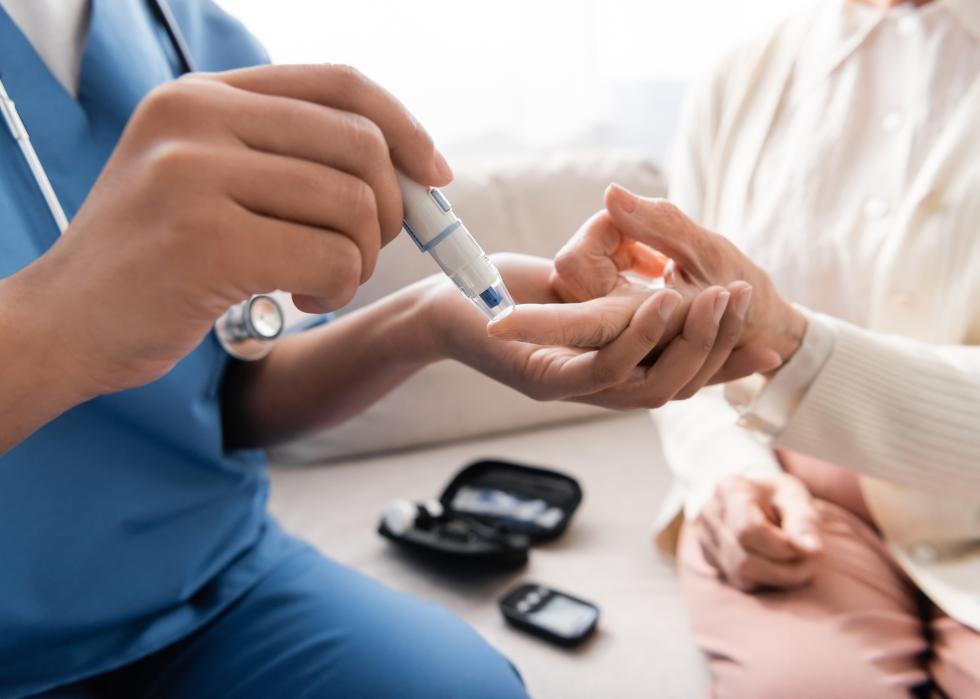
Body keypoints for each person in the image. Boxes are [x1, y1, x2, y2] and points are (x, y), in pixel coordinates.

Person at [0, 1, 762, 697]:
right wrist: (63, 317)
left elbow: (228, 397)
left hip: (210, 576)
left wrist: (434, 321)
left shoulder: (175, 27)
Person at [494, 0, 980, 695]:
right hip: (797, 511)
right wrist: (726, 470)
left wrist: (790, 342)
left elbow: (755, 335)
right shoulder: (742, 76)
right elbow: (693, 343)